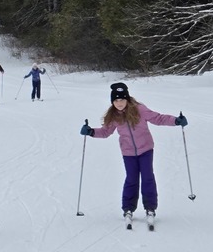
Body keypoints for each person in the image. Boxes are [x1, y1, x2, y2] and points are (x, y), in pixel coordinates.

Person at [79, 82, 186, 223]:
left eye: (122, 99)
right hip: (128, 152)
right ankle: (128, 208)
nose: (119, 103)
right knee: (131, 178)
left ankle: (150, 208)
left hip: (146, 149)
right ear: (112, 102)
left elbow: (158, 118)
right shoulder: (113, 116)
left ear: (127, 99)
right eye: (116, 100)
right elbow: (105, 132)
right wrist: (91, 131)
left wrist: (176, 121)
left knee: (148, 177)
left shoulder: (140, 110)